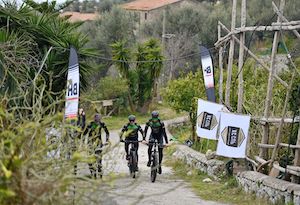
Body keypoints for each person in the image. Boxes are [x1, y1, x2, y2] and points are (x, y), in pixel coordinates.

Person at [84, 113, 109, 179]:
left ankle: (100, 171)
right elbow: (84, 133)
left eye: (99, 120)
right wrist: (82, 141)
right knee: (90, 159)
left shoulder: (102, 124)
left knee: (99, 159)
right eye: (96, 120)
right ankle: (93, 173)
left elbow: (107, 132)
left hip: (99, 143)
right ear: (94, 119)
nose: (97, 122)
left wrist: (107, 140)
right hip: (90, 143)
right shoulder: (90, 124)